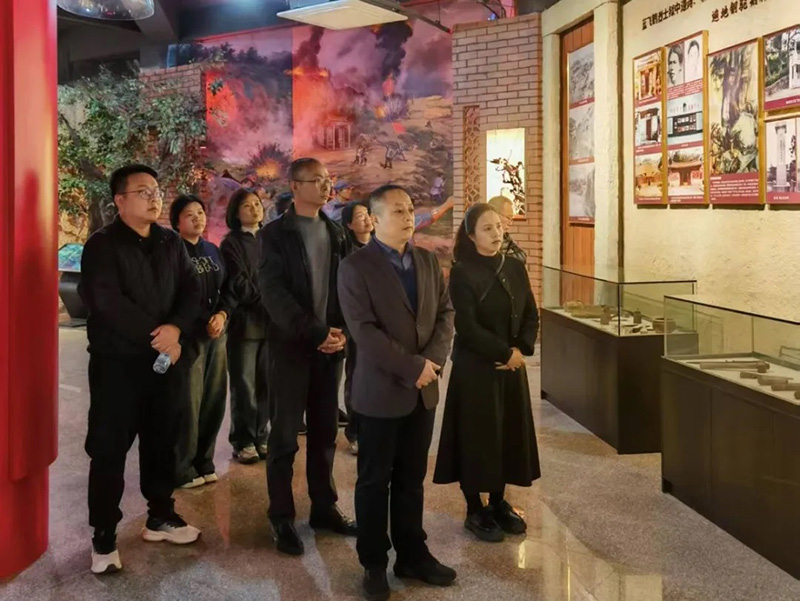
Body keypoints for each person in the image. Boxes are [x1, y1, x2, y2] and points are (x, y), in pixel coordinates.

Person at [79, 164, 202, 575]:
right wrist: (159, 336)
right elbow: (106, 302)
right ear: (120, 200)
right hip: (118, 366)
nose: (154, 198)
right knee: (109, 448)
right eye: (143, 191)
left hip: (165, 364)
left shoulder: (170, 241)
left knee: (162, 441)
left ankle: (160, 516)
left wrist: (176, 329)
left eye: (156, 190)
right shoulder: (102, 245)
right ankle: (103, 535)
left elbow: (191, 289)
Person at [338, 184, 456, 601]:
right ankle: (373, 562)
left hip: (423, 390)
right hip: (380, 392)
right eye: (398, 211)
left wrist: (432, 363)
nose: (408, 217)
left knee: (411, 478)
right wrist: (412, 367)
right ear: (374, 219)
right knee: (374, 481)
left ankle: (412, 554)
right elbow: (364, 332)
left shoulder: (426, 260)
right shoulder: (355, 267)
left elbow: (445, 315)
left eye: (409, 209)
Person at [258, 157, 356, 557]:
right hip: (290, 349)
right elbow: (273, 293)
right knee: (284, 436)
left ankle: (323, 507)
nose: (326, 186)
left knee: (324, 433)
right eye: (316, 180)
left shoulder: (336, 232)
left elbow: (347, 286)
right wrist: (316, 332)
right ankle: (281, 516)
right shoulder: (274, 235)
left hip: (329, 350)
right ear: (295, 187)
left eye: (328, 179)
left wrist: (341, 331)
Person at [433, 202, 540, 543]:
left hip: (511, 366)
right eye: (487, 228)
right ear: (471, 236)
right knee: (477, 436)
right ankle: (473, 508)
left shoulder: (515, 266)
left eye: (498, 226)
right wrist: (503, 353)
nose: (496, 233)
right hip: (476, 368)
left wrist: (520, 350)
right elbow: (466, 325)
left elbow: (530, 312)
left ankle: (497, 501)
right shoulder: (463, 272)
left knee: (506, 434)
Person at [170, 194, 231, 489]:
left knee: (214, 399)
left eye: (200, 212)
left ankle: (204, 461)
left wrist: (222, 314)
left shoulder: (212, 250)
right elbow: (169, 297)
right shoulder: (172, 252)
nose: (197, 218)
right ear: (176, 222)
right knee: (188, 403)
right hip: (188, 337)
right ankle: (182, 467)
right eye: (189, 214)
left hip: (216, 335)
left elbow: (227, 289)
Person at [220, 188, 270, 464]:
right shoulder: (231, 243)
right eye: (247, 205)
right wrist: (269, 301)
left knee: (267, 384)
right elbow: (238, 282)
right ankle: (243, 440)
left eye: (257, 204)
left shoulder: (270, 239)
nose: (254, 209)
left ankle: (262, 435)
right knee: (244, 385)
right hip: (246, 323)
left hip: (272, 324)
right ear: (236, 213)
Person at [339, 201, 374, 456]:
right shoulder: (346, 253)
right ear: (349, 224)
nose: (366, 219)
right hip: (355, 325)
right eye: (360, 216)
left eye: (368, 214)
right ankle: (355, 431)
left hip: (380, 324)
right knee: (356, 376)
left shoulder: (382, 247)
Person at [487, 196, 526, 264]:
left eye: (512, 219)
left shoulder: (505, 236)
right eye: (508, 218)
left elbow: (522, 256)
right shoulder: (483, 237)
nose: (511, 223)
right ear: (495, 214)